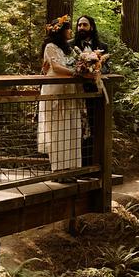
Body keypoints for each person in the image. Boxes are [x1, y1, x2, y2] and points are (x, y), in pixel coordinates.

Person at [38, 16, 80, 171]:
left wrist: (84, 67)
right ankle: (59, 169)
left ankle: (71, 167)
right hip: (54, 90)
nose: (70, 31)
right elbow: (55, 67)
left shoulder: (67, 48)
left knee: (69, 127)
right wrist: (76, 72)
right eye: (68, 28)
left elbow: (76, 62)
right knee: (56, 128)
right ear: (61, 30)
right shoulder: (50, 46)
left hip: (68, 89)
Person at [71, 15, 108, 166]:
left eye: (84, 25)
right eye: (79, 25)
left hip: (94, 93)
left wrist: (97, 69)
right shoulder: (70, 45)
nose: (81, 28)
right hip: (75, 92)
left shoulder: (103, 46)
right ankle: (76, 164)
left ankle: (92, 164)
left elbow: (107, 67)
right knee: (76, 127)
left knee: (94, 127)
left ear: (91, 27)